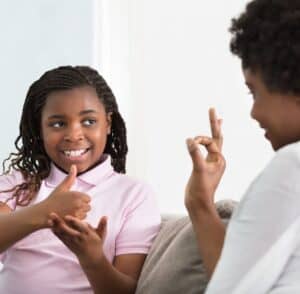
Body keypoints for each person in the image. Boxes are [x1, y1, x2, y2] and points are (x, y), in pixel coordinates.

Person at [0, 65, 161, 294]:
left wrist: (92, 258)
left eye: (88, 122)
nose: (74, 135)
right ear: (39, 128)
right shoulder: (17, 185)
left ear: (107, 123)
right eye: (58, 124)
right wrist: (44, 212)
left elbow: (126, 291)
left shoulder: (133, 194)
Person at [184, 0, 300, 293]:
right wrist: (200, 203)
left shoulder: (292, 166)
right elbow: (240, 277)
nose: (254, 113)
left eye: (255, 92)